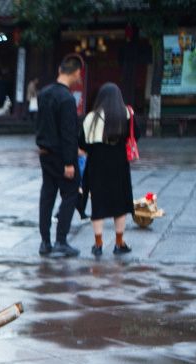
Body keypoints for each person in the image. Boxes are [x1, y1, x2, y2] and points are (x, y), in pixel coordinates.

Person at [78, 82, 140, 257]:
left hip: (97, 163)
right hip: (119, 162)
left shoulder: (91, 117)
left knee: (98, 203)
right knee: (119, 204)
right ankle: (119, 242)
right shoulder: (127, 113)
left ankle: (98, 244)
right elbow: (137, 135)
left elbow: (82, 143)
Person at [36, 55, 84, 257]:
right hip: (61, 155)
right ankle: (61, 241)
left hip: (44, 153)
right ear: (76, 73)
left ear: (59, 69)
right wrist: (69, 161)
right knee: (71, 193)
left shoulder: (43, 94)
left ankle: (45, 242)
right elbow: (68, 132)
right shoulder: (66, 98)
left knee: (47, 195)